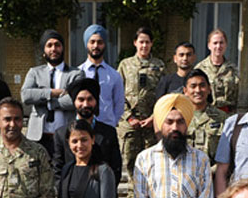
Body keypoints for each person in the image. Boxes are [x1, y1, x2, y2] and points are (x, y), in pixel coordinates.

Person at [22, 29, 82, 158]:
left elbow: (76, 100)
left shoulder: (75, 74)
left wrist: (50, 103)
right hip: (39, 136)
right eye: (49, 45)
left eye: (57, 45)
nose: (53, 49)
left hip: (66, 136)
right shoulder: (34, 72)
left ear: (63, 49)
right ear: (44, 51)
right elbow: (26, 95)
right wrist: (52, 93)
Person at [117, 27, 165, 181]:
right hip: (130, 124)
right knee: (131, 164)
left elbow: (164, 95)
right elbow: (118, 94)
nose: (144, 46)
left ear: (151, 44)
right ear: (135, 43)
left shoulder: (159, 66)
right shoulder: (125, 65)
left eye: (147, 42)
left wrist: (154, 117)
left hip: (151, 124)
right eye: (141, 42)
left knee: (153, 164)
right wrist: (128, 117)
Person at [52, 77, 122, 183]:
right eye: (81, 100)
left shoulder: (108, 133)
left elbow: (116, 169)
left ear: (96, 101)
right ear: (74, 102)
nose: (86, 104)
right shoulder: (61, 134)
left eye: (90, 99)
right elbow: (57, 171)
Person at [78, 25, 124, 128]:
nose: (96, 46)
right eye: (92, 42)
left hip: (107, 128)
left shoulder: (114, 75)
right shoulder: (77, 73)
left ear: (104, 44)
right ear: (86, 44)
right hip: (83, 128)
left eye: (100, 42)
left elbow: (119, 104)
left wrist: (112, 124)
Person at [184, 69, 227, 163]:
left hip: (213, 174)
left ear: (209, 89)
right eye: (193, 86)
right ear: (185, 91)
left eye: (202, 85)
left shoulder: (222, 118)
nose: (198, 90)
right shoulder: (180, 118)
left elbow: (227, 154)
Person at [195, 29, 240, 113]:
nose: (218, 46)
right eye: (215, 43)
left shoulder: (232, 69)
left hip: (228, 115)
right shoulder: (200, 69)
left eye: (221, 43)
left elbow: (238, 96)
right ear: (209, 45)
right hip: (206, 115)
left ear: (226, 45)